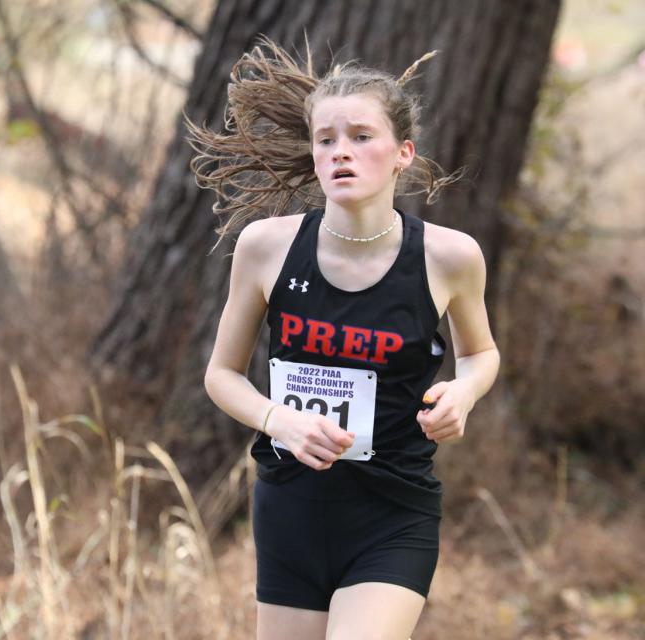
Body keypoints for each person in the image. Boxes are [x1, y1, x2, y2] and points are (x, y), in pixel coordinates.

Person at [195, 36, 501, 640]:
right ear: (312, 156)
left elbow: (480, 353)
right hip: (291, 507)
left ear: (402, 153)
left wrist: (464, 394)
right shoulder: (266, 246)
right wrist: (279, 420)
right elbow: (220, 376)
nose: (341, 152)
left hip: (392, 509)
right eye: (326, 140)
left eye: (361, 137)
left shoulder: (449, 257)